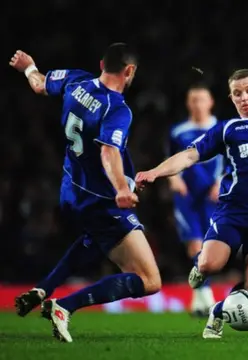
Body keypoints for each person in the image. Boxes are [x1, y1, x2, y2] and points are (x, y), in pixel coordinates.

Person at [9, 43, 161, 343]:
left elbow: (39, 85)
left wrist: (28, 67)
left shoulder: (76, 80)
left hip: (70, 190)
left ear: (102, 63)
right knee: (150, 280)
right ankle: (64, 306)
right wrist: (121, 189)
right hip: (101, 200)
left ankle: (44, 288)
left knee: (95, 240)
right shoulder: (116, 108)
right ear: (129, 71)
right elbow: (108, 152)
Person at [135, 69, 248, 339]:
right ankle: (199, 267)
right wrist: (155, 172)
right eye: (237, 93)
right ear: (231, 98)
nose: (244, 97)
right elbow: (189, 156)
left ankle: (218, 313)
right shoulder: (228, 129)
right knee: (210, 265)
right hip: (234, 212)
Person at [167, 84, 224, 317]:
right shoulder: (179, 132)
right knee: (194, 244)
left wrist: (222, 181)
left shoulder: (222, 129)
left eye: (202, 99)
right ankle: (208, 297)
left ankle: (198, 296)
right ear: (188, 104)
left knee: (209, 248)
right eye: (193, 100)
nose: (197, 104)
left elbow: (230, 160)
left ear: (210, 102)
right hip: (186, 195)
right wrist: (173, 179)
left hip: (212, 195)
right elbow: (172, 158)